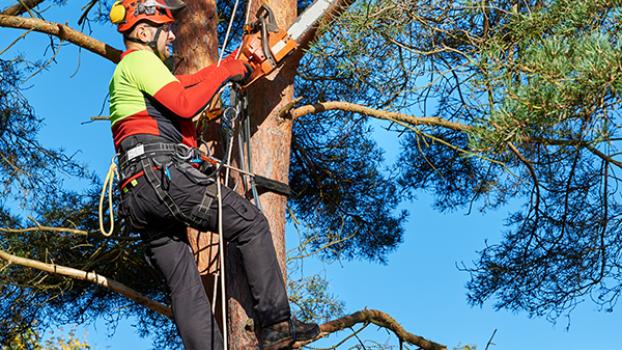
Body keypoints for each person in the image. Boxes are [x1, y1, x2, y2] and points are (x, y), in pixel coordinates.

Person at [107, 0, 320, 348]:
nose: (173, 35)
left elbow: (186, 84)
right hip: (164, 177)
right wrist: (226, 73)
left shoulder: (130, 73)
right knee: (250, 224)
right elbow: (187, 103)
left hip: (139, 193)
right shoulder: (140, 61)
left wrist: (231, 66)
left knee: (183, 285)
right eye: (165, 29)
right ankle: (276, 325)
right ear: (143, 32)